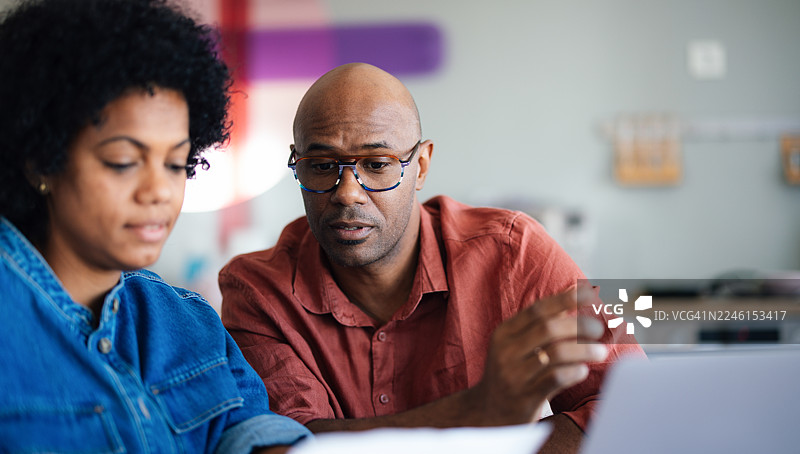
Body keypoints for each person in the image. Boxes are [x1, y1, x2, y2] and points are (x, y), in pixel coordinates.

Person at [219, 63, 645, 452]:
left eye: (378, 164)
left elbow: (631, 406)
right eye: (321, 164)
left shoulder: (513, 251)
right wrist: (479, 411)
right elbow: (291, 444)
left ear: (421, 166)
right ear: (297, 165)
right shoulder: (259, 290)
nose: (348, 192)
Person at [0, 0, 311, 452]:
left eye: (174, 163)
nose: (159, 191)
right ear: (39, 162)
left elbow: (247, 429)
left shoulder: (190, 321)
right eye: (124, 161)